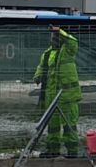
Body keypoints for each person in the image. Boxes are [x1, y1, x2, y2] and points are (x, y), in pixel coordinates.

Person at [33, 26, 83, 157]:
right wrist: (37, 76)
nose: (53, 39)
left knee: (69, 124)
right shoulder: (48, 53)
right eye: (53, 37)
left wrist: (59, 31)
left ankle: (73, 152)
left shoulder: (68, 50)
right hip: (51, 94)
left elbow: (73, 41)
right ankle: (53, 150)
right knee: (52, 125)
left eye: (56, 37)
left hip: (68, 95)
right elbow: (42, 67)